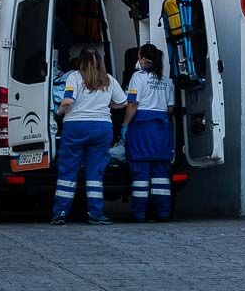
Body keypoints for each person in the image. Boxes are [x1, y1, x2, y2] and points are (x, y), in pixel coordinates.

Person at [51, 48, 127, 225]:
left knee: (68, 169)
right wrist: (106, 106)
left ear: (81, 61)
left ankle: (60, 212)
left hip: (76, 126)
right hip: (102, 127)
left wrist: (58, 112)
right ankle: (96, 213)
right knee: (95, 172)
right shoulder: (108, 79)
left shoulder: (75, 77)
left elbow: (68, 100)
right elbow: (122, 102)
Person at [122, 43, 175, 222]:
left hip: (141, 129)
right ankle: (163, 213)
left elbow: (132, 104)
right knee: (161, 176)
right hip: (161, 131)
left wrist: (125, 125)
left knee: (140, 176)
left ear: (143, 58)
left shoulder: (138, 77)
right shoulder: (167, 81)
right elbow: (170, 109)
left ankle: (139, 214)